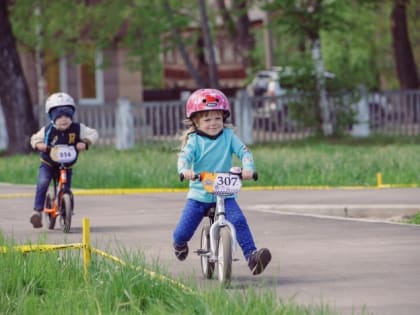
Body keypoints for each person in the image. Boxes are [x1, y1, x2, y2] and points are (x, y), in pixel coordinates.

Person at [173, 88, 271, 275]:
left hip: (225, 193)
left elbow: (244, 152)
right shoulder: (194, 141)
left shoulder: (228, 137)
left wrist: (248, 168)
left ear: (224, 118)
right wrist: (185, 171)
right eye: (207, 119)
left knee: (238, 221)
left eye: (217, 118)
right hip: (199, 194)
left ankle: (253, 258)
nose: (213, 123)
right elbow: (184, 158)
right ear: (196, 121)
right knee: (182, 232)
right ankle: (179, 244)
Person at [29, 92, 99, 228]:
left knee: (66, 188)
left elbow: (93, 134)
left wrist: (85, 142)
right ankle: (37, 212)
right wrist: (39, 145)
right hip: (48, 163)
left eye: (67, 115)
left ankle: (66, 210)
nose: (64, 119)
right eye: (59, 116)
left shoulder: (77, 128)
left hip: (66, 165)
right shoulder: (48, 130)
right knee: (43, 183)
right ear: (52, 117)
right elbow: (34, 138)